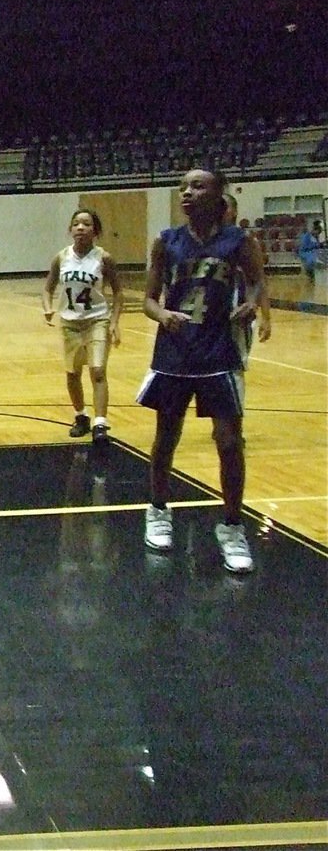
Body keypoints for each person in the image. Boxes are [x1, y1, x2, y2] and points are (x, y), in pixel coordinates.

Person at [137, 169, 268, 573]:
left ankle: (231, 526)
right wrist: (163, 315)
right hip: (175, 352)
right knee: (166, 438)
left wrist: (251, 304)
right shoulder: (166, 241)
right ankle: (158, 509)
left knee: (229, 442)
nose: (188, 193)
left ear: (218, 195)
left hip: (219, 350)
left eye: (198, 186)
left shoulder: (239, 241)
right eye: (183, 187)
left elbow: (258, 282)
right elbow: (147, 299)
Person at [42, 208, 124, 444]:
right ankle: (81, 416)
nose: (80, 227)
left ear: (95, 231)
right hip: (70, 322)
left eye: (86, 224)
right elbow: (48, 288)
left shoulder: (104, 258)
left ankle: (100, 423)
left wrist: (115, 322)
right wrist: (47, 307)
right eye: (76, 223)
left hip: (97, 320)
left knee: (97, 370)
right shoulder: (61, 257)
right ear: (70, 229)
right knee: (72, 373)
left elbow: (119, 293)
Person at [223, 195, 271, 365]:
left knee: (234, 366)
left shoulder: (247, 242)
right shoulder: (204, 239)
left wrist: (265, 317)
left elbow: (259, 280)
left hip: (239, 314)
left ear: (234, 211)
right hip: (210, 314)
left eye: (225, 206)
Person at [297, 220, 324, 284]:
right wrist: (317, 245)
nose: (317, 234)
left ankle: (311, 279)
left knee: (312, 264)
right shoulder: (306, 236)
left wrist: (319, 245)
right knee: (310, 263)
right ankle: (309, 278)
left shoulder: (315, 237)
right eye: (317, 232)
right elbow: (304, 247)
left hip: (310, 253)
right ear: (314, 230)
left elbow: (316, 245)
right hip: (305, 253)